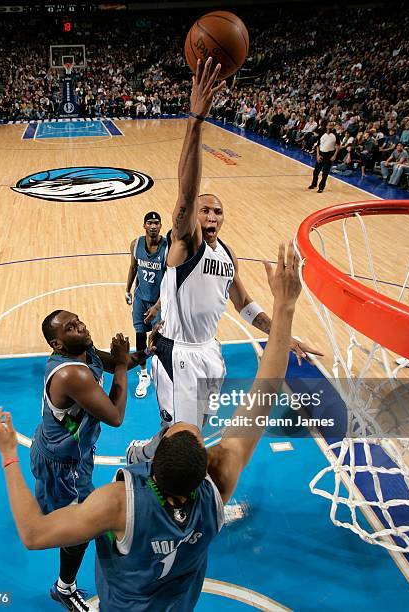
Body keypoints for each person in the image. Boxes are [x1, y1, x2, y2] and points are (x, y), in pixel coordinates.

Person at [0, 240, 302, 612]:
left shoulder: (118, 504)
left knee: (72, 530)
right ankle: (65, 582)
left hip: (118, 590)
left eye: (170, 429)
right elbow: (262, 397)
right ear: (206, 468)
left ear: (149, 467)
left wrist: (8, 453)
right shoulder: (216, 488)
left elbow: (33, 533)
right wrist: (285, 311)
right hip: (175, 603)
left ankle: (65, 584)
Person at [126, 59, 321, 464]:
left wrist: (283, 333)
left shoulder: (227, 255)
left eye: (218, 212)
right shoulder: (185, 244)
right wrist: (195, 121)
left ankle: (148, 452)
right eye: (205, 211)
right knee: (185, 441)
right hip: (175, 353)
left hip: (210, 353)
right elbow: (186, 190)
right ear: (192, 218)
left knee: (189, 432)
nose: (211, 216)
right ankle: (146, 462)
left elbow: (245, 306)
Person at [30, 310, 147, 611]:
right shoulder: (71, 373)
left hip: (76, 458)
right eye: (71, 328)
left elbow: (122, 364)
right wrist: (121, 364)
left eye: (78, 320)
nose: (81, 326)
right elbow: (115, 415)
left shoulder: (86, 351)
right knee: (78, 529)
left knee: (89, 517)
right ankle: (63, 588)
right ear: (57, 344)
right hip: (60, 464)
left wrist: (149, 349)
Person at [125, 212, 168, 398]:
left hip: (160, 301)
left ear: (160, 226)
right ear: (144, 225)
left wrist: (157, 307)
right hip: (141, 299)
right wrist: (127, 290)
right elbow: (133, 267)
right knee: (140, 335)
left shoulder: (168, 248)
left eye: (156, 223)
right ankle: (143, 374)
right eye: (149, 223)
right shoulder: (136, 245)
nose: (153, 226)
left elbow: (170, 282)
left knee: (159, 338)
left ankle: (161, 372)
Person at [308, 121, 340, 193]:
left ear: (333, 127)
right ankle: (314, 184)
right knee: (316, 171)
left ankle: (321, 187)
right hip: (321, 154)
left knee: (325, 173)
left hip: (329, 155)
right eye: (329, 125)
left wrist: (334, 155)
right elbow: (318, 145)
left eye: (332, 125)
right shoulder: (322, 134)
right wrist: (318, 155)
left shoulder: (336, 135)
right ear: (327, 126)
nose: (330, 127)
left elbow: (338, 146)